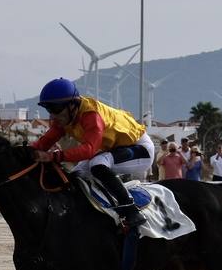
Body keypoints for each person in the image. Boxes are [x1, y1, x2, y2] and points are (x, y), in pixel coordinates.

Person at [31, 79, 155, 228]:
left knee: (97, 164)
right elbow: (44, 143)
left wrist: (54, 156)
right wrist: (23, 151)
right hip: (112, 150)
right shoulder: (65, 117)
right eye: (48, 109)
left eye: (55, 108)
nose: (52, 115)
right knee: (75, 175)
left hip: (140, 149)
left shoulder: (91, 115)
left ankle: (130, 209)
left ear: (72, 105)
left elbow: (89, 149)